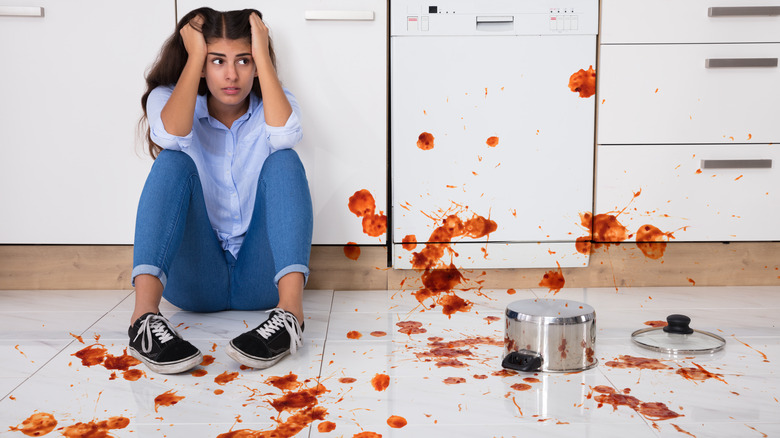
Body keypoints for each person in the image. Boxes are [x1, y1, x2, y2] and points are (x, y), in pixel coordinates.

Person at [129, 7, 313, 374]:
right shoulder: (169, 99)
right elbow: (169, 135)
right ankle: (143, 321)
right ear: (200, 65)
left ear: (257, 64)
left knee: (285, 160)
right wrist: (195, 55)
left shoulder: (275, 103)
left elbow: (286, 134)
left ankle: (291, 315)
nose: (231, 74)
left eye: (243, 60)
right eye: (217, 61)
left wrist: (262, 53)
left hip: (261, 277)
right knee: (173, 160)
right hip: (195, 281)